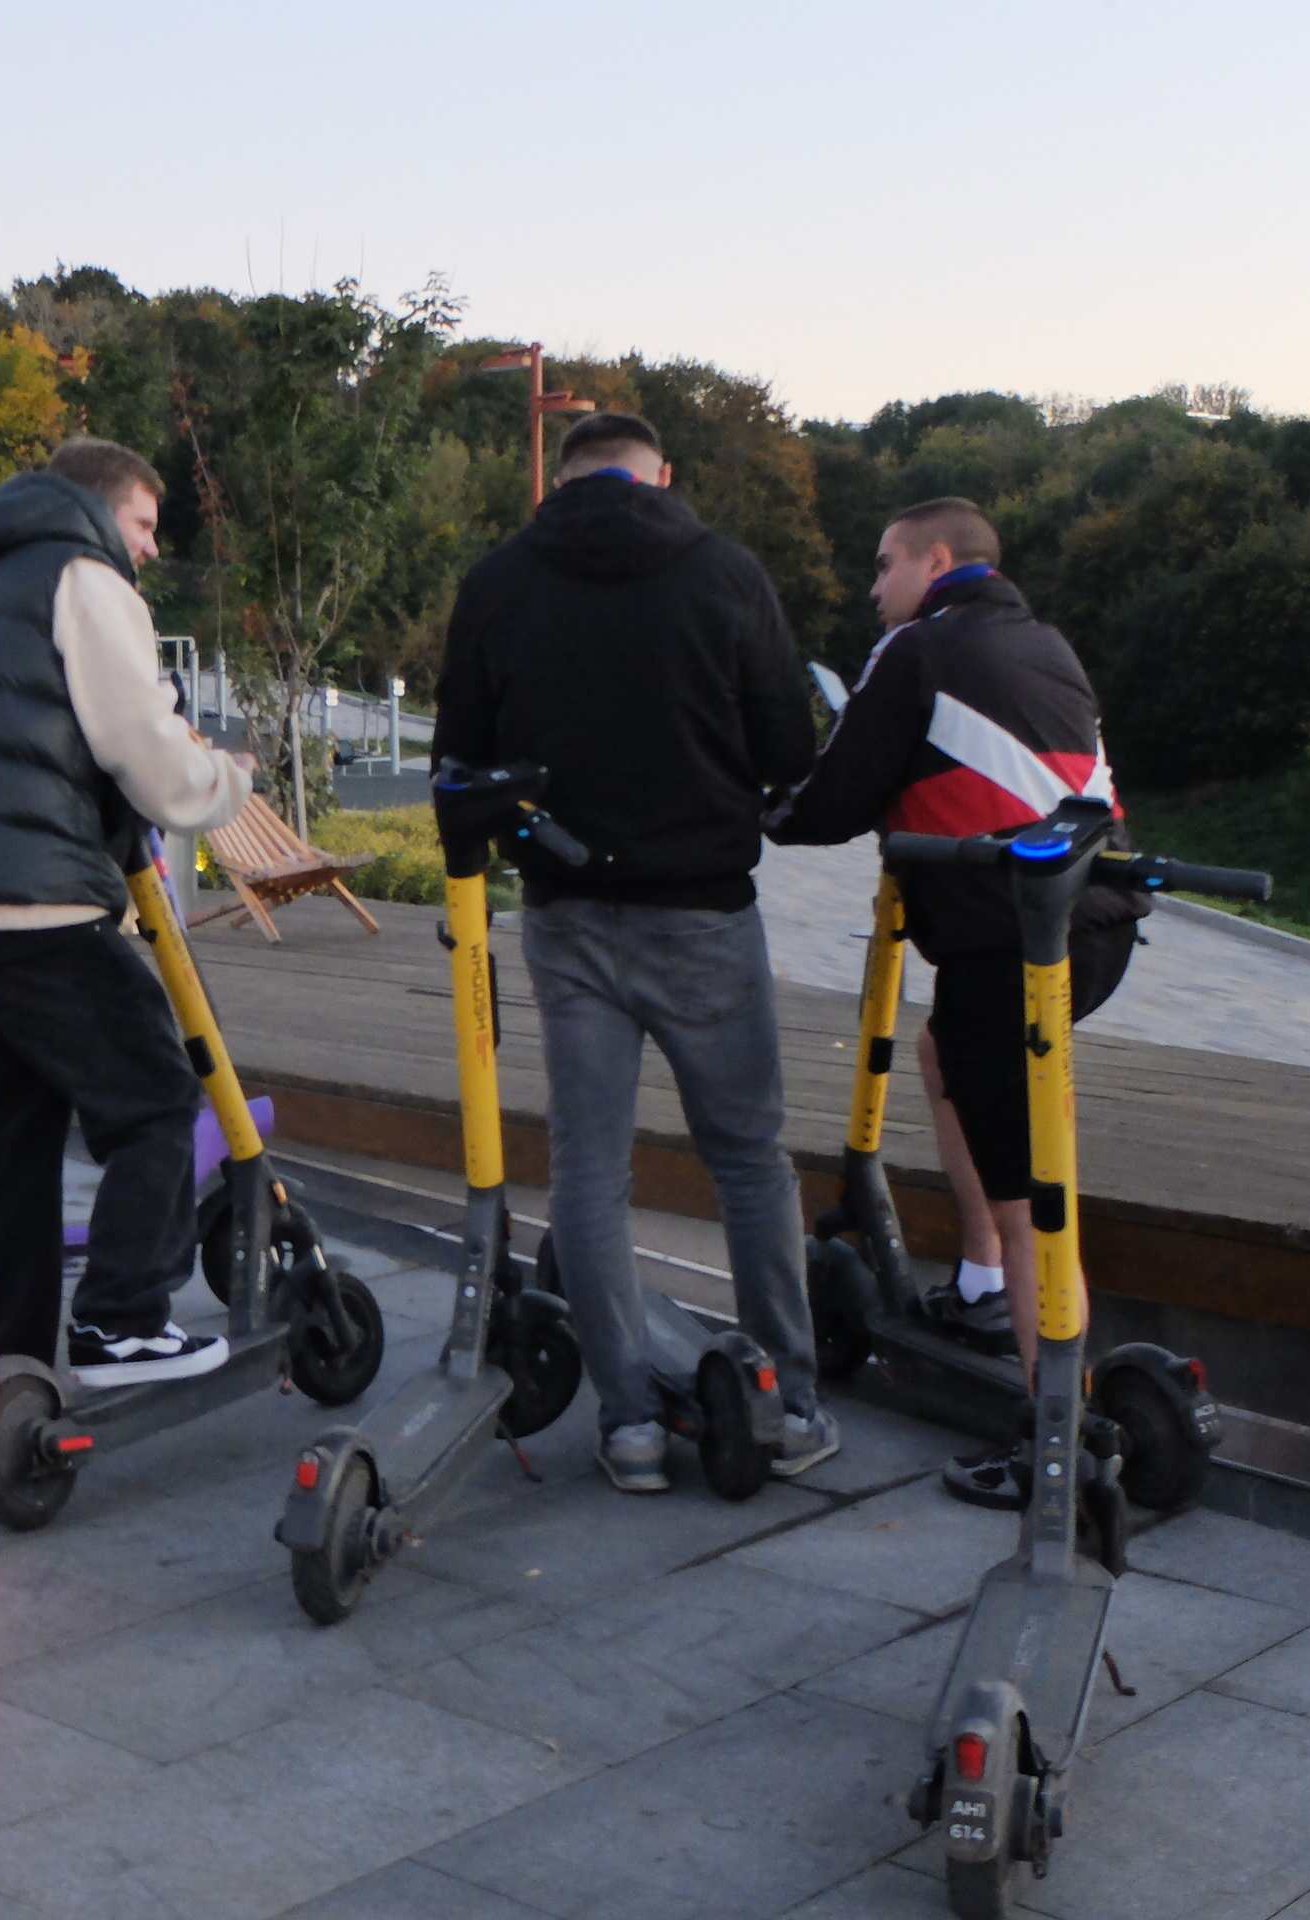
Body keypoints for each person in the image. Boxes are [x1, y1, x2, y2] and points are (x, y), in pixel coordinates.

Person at [432, 410, 839, 1493]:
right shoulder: (725, 573)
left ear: (558, 485)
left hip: (565, 914)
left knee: (587, 1175)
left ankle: (628, 1429)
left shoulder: (499, 580)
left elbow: (457, 760)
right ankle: (789, 1406)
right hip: (705, 910)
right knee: (748, 1157)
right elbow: (787, 752)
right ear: (661, 477)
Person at [769, 496, 1145, 1508]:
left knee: (1034, 1205)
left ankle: (1055, 1438)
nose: (872, 587)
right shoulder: (1042, 643)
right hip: (1096, 929)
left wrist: (763, 806)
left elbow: (829, 802)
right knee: (941, 1060)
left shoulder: (916, 651)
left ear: (936, 562)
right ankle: (981, 1285)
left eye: (882, 565)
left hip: (1011, 947)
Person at [0, 438, 253, 1387]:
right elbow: (147, 751)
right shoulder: (82, 574)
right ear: (95, 508)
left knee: (1, 1151)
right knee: (157, 1103)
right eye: (144, 524)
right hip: (38, 904)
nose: (151, 550)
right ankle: (122, 1323)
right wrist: (228, 781)